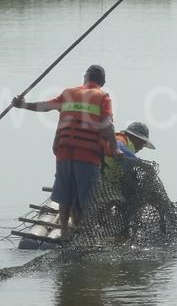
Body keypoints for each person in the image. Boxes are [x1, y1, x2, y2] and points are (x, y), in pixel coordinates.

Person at [12, 65, 116, 236]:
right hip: (87, 154)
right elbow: (107, 125)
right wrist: (114, 147)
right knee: (87, 198)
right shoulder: (103, 97)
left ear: (85, 78)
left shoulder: (69, 93)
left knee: (65, 192)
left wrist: (22, 105)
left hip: (64, 151)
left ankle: (65, 230)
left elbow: (45, 106)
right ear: (102, 82)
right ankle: (82, 233)